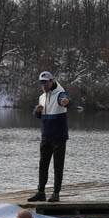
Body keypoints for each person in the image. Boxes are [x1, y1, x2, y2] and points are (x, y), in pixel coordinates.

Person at [28, 71, 71, 202]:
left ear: (52, 81)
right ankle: (41, 192)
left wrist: (65, 102)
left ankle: (56, 194)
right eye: (41, 83)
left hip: (59, 137)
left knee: (58, 166)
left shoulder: (60, 93)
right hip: (46, 136)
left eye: (46, 82)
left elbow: (66, 101)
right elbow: (39, 116)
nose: (44, 85)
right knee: (43, 165)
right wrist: (37, 111)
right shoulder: (42, 97)